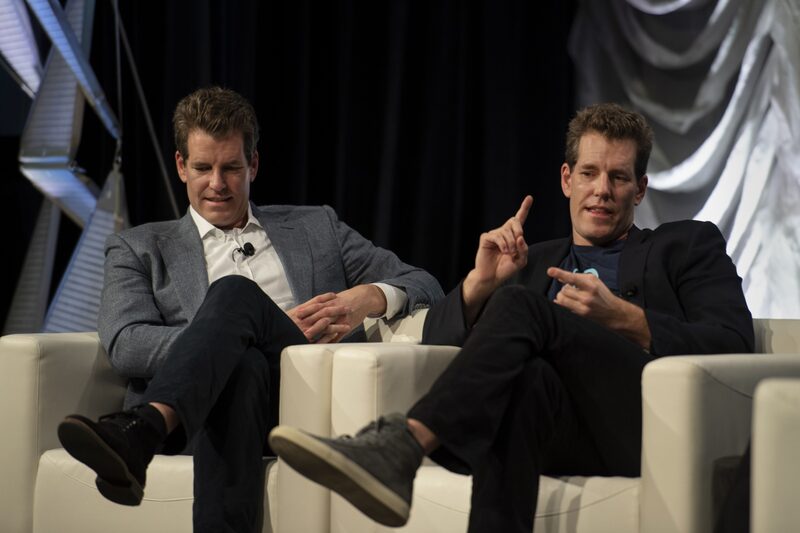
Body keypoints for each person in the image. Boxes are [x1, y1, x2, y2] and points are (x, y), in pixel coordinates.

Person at [268, 103, 755, 532]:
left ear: (640, 189)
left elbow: (733, 343)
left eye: (619, 177)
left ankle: (402, 445)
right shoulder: (530, 262)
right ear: (567, 179)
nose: (602, 190)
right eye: (589, 173)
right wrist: (481, 283)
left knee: (522, 310)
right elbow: (439, 343)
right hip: (559, 428)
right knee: (525, 385)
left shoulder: (687, 245)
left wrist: (626, 318)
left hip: (647, 421)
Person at [56, 86, 443, 533]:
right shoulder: (140, 247)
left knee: (235, 294)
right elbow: (126, 342)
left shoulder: (316, 227)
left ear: (253, 165)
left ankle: (144, 428)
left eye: (231, 168)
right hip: (212, 410)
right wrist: (235, 337)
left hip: (306, 396)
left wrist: (370, 297)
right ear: (181, 166)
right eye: (202, 168)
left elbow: (425, 283)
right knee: (243, 358)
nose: (217, 184)